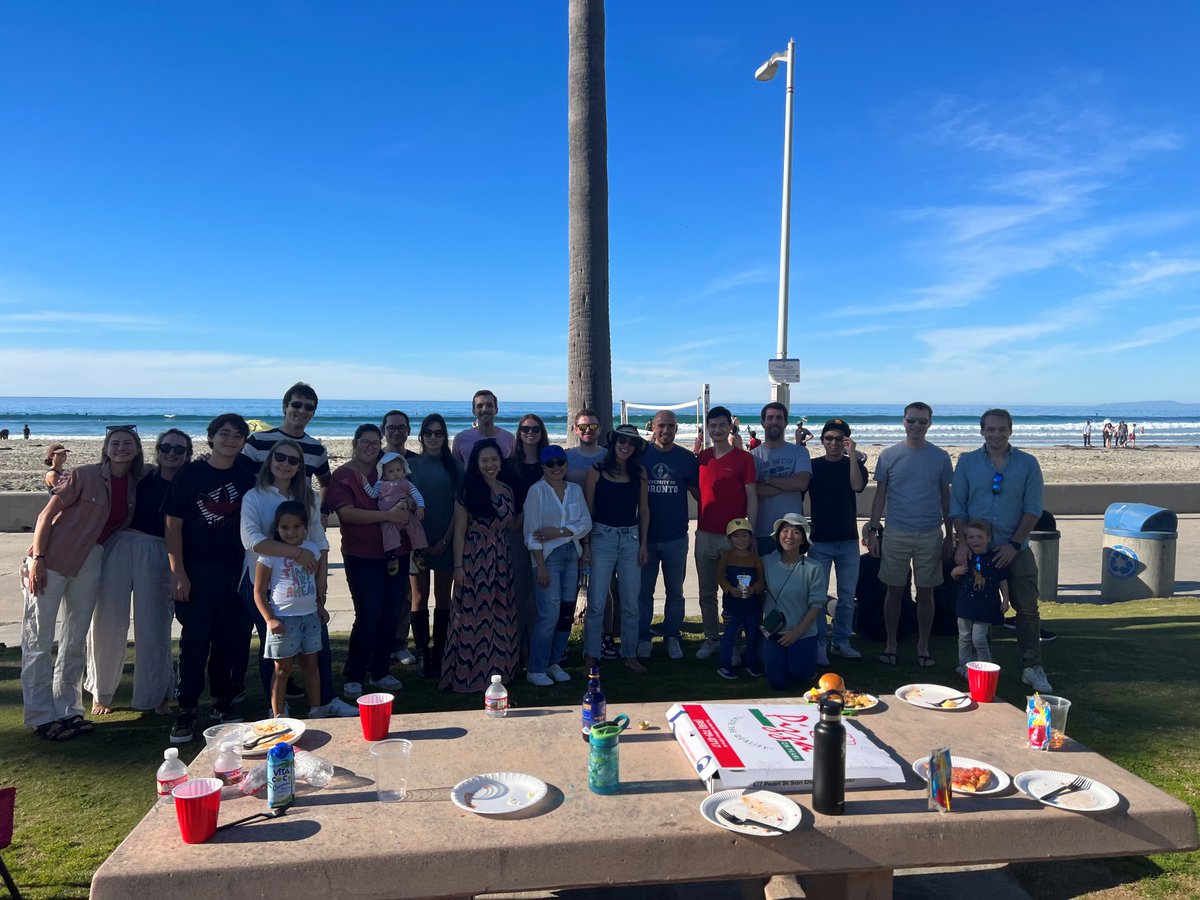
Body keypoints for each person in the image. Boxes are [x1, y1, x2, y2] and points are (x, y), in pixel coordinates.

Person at [21, 424, 141, 740]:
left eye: (128, 443)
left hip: (91, 561)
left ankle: (68, 710)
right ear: (107, 447)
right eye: (115, 443)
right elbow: (46, 516)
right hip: (52, 559)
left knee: (74, 639)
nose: (121, 448)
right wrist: (38, 560)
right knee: (39, 641)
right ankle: (41, 716)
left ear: (137, 449)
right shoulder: (83, 475)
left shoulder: (132, 485)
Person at [240, 436, 357, 718]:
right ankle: (277, 710)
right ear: (270, 461)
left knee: (318, 648)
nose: (286, 464)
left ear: (300, 466)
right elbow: (251, 540)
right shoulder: (255, 495)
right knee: (275, 652)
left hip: (306, 587)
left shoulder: (309, 497)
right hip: (267, 586)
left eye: (293, 460)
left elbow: (319, 539)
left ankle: (325, 701)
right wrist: (295, 553)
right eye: (280, 458)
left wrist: (322, 579)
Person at [85, 428, 189, 717]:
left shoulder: (188, 481)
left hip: (160, 551)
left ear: (187, 455)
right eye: (166, 447)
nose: (172, 453)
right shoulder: (140, 475)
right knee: (107, 621)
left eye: (179, 450)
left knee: (154, 626)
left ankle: (156, 694)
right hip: (121, 545)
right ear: (157, 450)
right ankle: (101, 691)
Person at [164, 414, 256, 742]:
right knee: (194, 642)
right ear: (211, 437)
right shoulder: (191, 474)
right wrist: (178, 573)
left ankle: (223, 701)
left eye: (237, 435)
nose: (230, 440)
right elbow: (172, 526)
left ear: (244, 441)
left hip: (236, 571)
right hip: (196, 573)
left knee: (230, 641)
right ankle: (186, 707)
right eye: (224, 434)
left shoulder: (248, 476)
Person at [950, 408, 1053, 692]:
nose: (996, 434)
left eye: (1001, 429)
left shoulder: (1027, 463)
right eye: (990, 429)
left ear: (1010, 430)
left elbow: (1033, 509)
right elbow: (957, 507)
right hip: (975, 550)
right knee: (971, 608)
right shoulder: (968, 462)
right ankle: (971, 664)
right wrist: (961, 543)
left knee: (1027, 608)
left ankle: (1032, 667)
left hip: (1013, 548)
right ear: (982, 431)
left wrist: (1014, 544)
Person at [866, 402, 953, 668]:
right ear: (903, 421)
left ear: (930, 424)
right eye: (912, 420)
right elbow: (880, 495)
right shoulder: (889, 456)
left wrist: (951, 535)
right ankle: (891, 643)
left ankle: (923, 645)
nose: (916, 425)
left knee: (926, 592)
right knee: (894, 590)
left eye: (922, 421)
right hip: (895, 532)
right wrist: (872, 529)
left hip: (929, 533)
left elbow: (945, 498)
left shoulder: (940, 457)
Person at [327, 424, 409, 698]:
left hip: (396, 551)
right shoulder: (343, 476)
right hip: (361, 555)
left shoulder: (387, 468)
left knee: (390, 614)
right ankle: (354, 673)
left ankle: (381, 670)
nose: (371, 447)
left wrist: (407, 506)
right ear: (355, 442)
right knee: (368, 615)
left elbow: (407, 493)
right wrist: (388, 516)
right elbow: (347, 514)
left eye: (376, 443)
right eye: (366, 442)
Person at [441, 439, 519, 692]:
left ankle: (499, 671)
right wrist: (458, 567)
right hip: (475, 559)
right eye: (484, 460)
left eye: (494, 459)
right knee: (473, 617)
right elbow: (460, 532)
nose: (490, 465)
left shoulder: (506, 489)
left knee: (500, 614)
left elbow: (511, 524)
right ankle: (469, 674)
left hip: (502, 558)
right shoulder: (467, 491)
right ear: (475, 463)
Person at [522, 444, 592, 685]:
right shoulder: (537, 491)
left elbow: (586, 523)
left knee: (565, 613)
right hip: (548, 558)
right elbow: (531, 533)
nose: (556, 467)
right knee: (548, 613)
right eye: (550, 463)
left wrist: (560, 532)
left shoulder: (574, 490)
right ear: (543, 466)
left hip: (571, 555)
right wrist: (539, 566)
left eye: (560, 462)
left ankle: (554, 663)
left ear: (566, 464)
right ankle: (536, 668)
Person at [583, 424, 650, 672]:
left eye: (631, 443)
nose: (626, 446)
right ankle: (591, 654)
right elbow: (588, 511)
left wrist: (643, 543)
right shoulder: (596, 471)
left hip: (631, 539)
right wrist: (587, 544)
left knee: (632, 602)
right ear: (613, 443)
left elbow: (643, 510)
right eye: (622, 441)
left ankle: (630, 654)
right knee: (597, 601)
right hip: (602, 537)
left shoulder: (639, 473)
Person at [694, 405, 758, 660]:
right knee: (706, 592)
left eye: (722, 425)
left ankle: (732, 641)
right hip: (704, 535)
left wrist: (749, 533)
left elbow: (752, 497)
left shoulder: (744, 459)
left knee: (734, 592)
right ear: (708, 429)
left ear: (729, 426)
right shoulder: (701, 458)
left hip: (735, 537)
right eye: (713, 426)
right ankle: (711, 638)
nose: (717, 430)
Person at [253, 501, 327, 717]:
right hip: (284, 620)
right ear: (277, 528)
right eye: (285, 527)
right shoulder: (269, 554)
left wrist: (321, 607)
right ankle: (278, 716)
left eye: (297, 527)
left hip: (310, 617)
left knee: (311, 665)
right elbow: (258, 592)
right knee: (282, 669)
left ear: (305, 527)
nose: (291, 532)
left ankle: (316, 710)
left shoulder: (312, 550)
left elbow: (313, 585)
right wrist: (270, 619)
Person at [638, 409, 699, 660]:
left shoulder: (686, 458)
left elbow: (700, 495)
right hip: (646, 539)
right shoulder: (640, 456)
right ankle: (643, 637)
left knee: (675, 591)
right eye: (661, 425)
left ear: (676, 428)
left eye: (671, 426)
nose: (665, 431)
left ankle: (672, 635)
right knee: (643, 592)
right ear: (652, 426)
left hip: (676, 537)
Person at [807, 418, 869, 661]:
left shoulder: (854, 465)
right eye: (829, 438)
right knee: (818, 596)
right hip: (820, 541)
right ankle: (820, 642)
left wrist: (852, 455)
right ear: (822, 440)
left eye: (839, 439)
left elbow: (857, 486)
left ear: (847, 441)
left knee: (846, 596)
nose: (833, 443)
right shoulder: (813, 466)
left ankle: (841, 641)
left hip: (847, 541)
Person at [408, 414, 463, 679]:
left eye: (438, 433)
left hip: (445, 543)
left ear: (444, 436)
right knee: (418, 597)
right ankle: (422, 652)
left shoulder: (454, 466)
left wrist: (445, 540)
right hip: (416, 544)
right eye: (428, 433)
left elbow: (459, 509)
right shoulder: (409, 465)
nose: (433, 437)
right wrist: (418, 541)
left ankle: (440, 652)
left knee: (443, 599)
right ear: (421, 436)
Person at [242, 382, 332, 517]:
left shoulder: (316, 448)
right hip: (261, 518)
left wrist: (323, 511)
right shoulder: (257, 441)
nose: (302, 410)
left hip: (298, 523)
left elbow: (327, 483)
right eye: (296, 405)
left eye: (308, 407)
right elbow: (236, 476)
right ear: (285, 407)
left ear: (313, 413)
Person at [761, 513, 827, 690]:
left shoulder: (814, 568)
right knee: (777, 682)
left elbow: (817, 605)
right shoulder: (766, 562)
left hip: (802, 633)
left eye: (796, 532)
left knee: (800, 675)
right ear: (778, 534)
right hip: (774, 632)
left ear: (803, 538)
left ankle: (808, 664)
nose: (789, 536)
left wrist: (796, 633)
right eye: (785, 530)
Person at [382, 409, 419, 664]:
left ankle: (399, 643)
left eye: (401, 427)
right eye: (391, 427)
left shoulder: (414, 462)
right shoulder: (375, 460)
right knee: (378, 595)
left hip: (407, 538)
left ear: (408, 430)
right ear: (384, 429)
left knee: (405, 592)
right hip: (377, 537)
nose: (396, 432)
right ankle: (378, 645)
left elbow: (418, 495)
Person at [949, 519, 1009, 675]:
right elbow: (955, 578)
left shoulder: (995, 558)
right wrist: (955, 572)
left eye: (979, 537)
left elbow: (1002, 580)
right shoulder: (966, 557)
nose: (975, 540)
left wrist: (1006, 600)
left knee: (979, 638)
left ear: (988, 538)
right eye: (971, 537)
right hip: (965, 605)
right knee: (964, 637)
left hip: (986, 605)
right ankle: (964, 666)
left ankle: (986, 668)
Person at [715, 517, 765, 680]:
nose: (741, 540)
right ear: (729, 539)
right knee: (729, 635)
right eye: (736, 536)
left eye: (744, 535)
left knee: (752, 635)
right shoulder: (727, 556)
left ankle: (751, 662)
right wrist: (729, 589)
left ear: (751, 537)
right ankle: (724, 664)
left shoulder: (756, 558)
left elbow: (762, 580)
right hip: (732, 605)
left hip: (752, 606)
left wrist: (754, 589)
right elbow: (720, 577)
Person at [370, 452, 428, 566]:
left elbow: (417, 495)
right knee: (388, 534)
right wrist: (365, 485)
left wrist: (421, 506)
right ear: (384, 474)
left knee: (416, 528)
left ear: (403, 470)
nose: (395, 474)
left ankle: (418, 553)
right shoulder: (380, 483)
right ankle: (392, 558)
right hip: (388, 516)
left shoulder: (407, 483)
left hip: (405, 514)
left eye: (398, 470)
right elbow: (373, 494)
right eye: (391, 471)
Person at [452, 389, 515, 465]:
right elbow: (456, 472)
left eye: (489, 405)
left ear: (496, 410)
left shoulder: (509, 438)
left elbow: (513, 470)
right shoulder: (460, 439)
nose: (484, 409)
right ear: (473, 411)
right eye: (480, 406)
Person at [565, 407, 605, 486]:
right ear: (576, 430)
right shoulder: (566, 457)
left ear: (599, 429)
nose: (587, 430)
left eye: (593, 426)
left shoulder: (609, 456)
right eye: (583, 426)